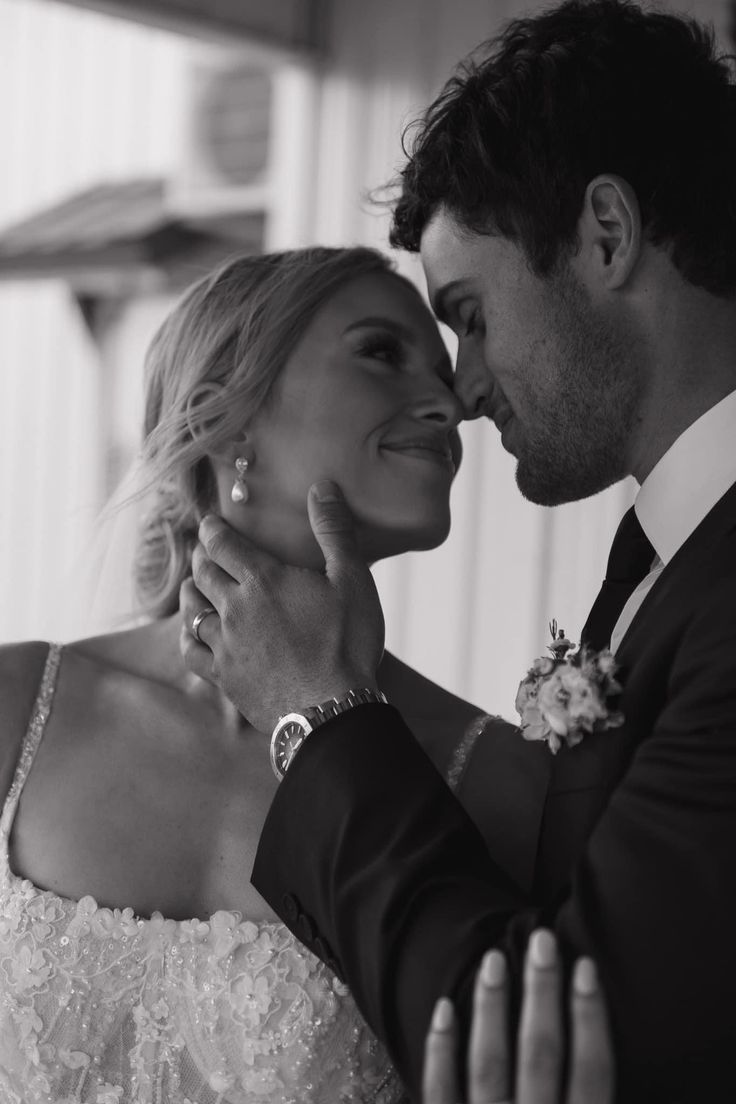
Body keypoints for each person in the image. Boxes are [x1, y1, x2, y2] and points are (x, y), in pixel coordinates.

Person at [179, 1, 736, 1101]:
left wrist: (318, 715)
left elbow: (570, 1045)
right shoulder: (660, 567)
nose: (462, 394)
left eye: (468, 316)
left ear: (607, 236)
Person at [0, 245, 611, 1103]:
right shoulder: (17, 709)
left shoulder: (504, 783)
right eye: (383, 353)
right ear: (231, 418)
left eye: (442, 372)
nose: (451, 404)